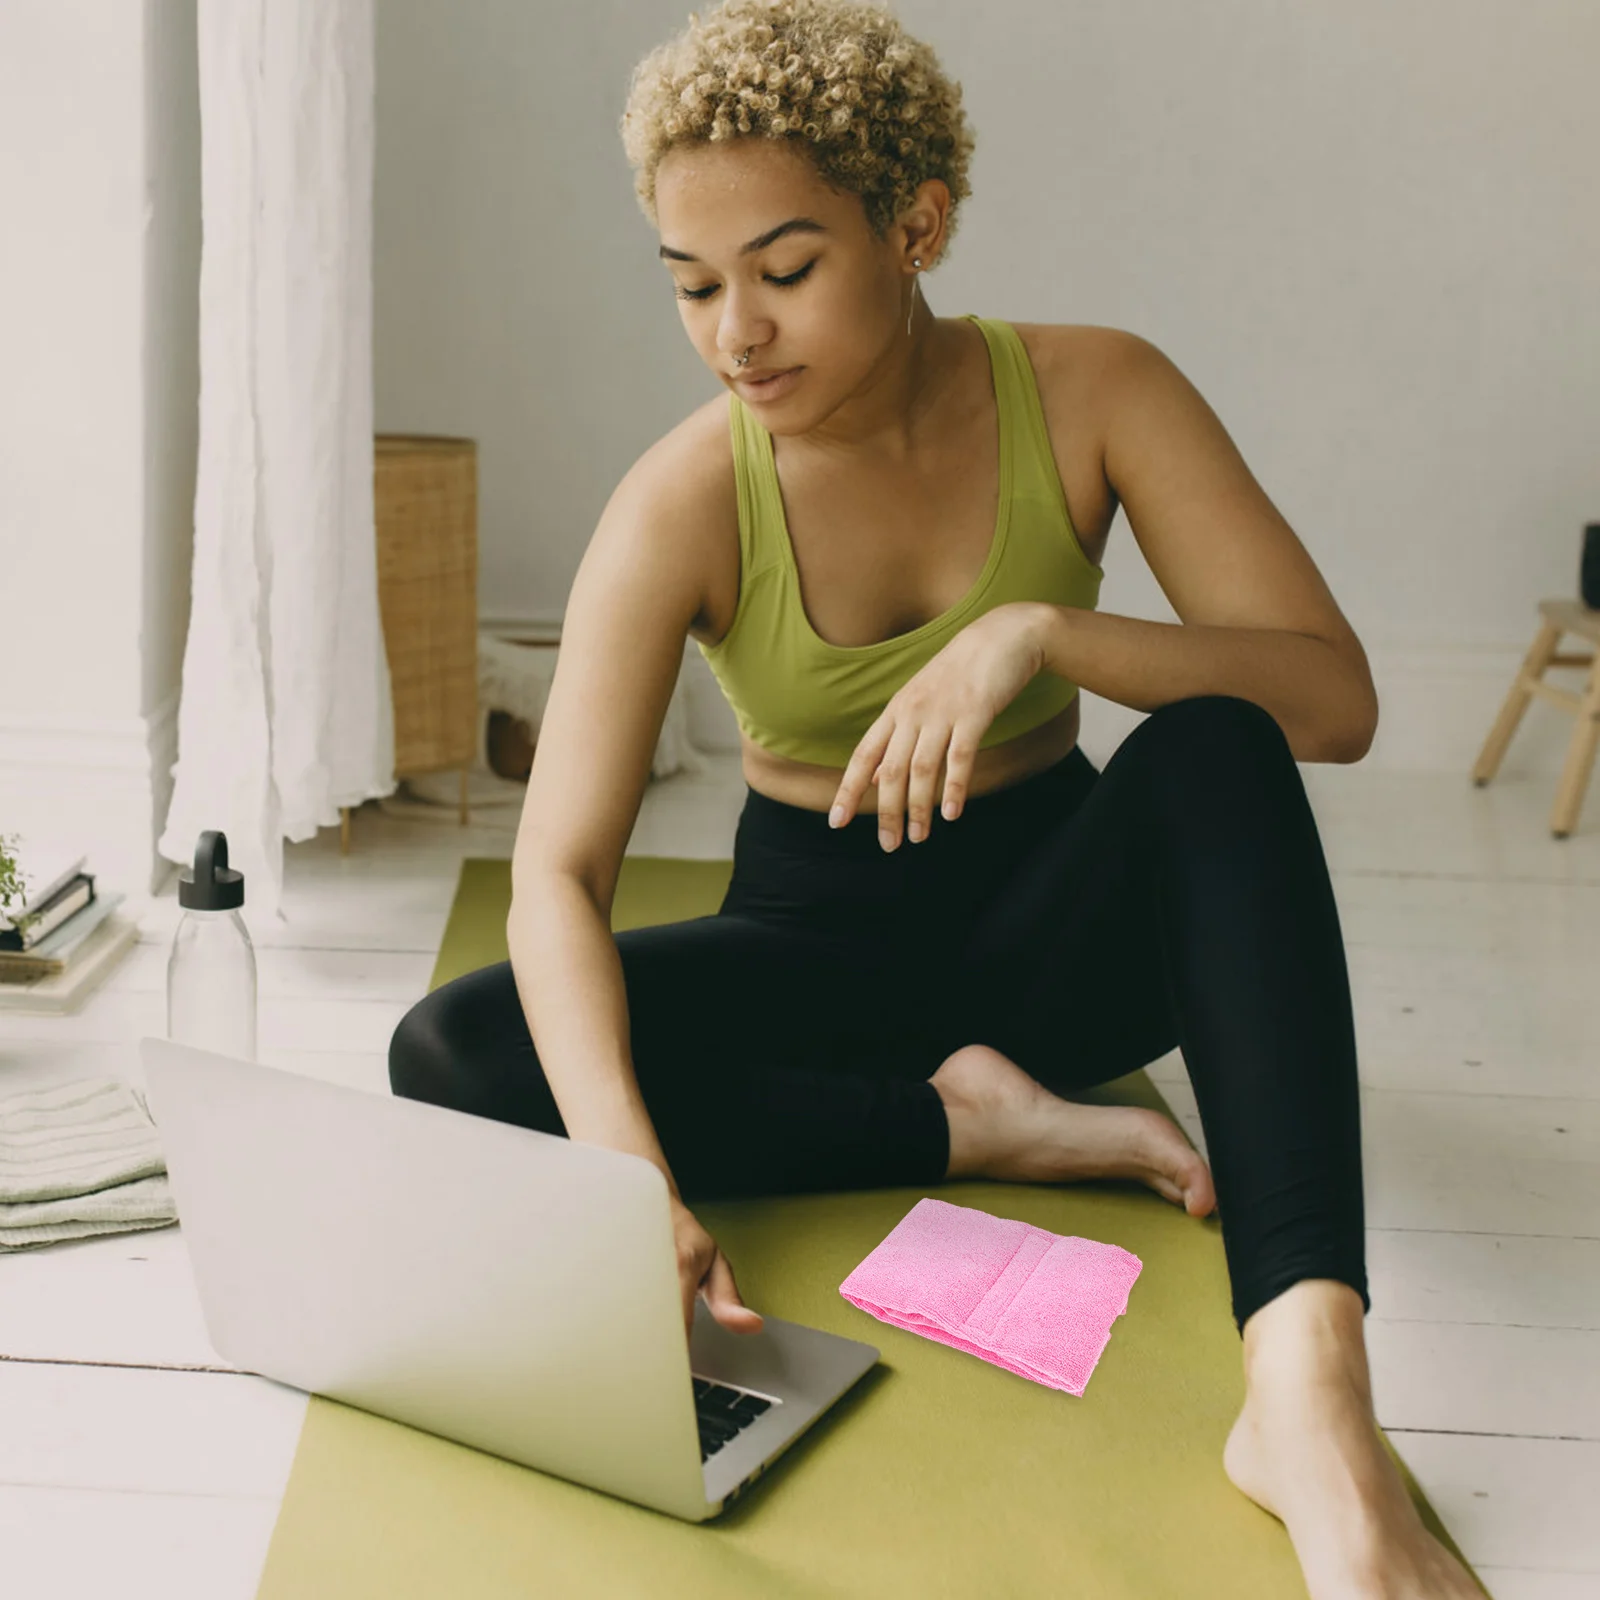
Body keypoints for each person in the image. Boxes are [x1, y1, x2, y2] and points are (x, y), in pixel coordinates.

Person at [389, 3, 1483, 1595]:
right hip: (814, 968)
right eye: (693, 285)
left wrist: (1041, 632)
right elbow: (556, 871)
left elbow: (1335, 700)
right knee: (454, 1053)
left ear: (916, 227)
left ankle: (1311, 1399)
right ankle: (970, 1129)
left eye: (783, 270)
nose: (734, 333)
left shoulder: (1099, 392)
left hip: (1062, 951)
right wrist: (628, 1178)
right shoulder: (687, 496)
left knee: (1219, 743)